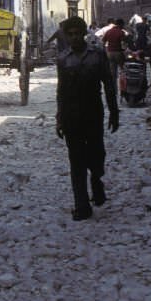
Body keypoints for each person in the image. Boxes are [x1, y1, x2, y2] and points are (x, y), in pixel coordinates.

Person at [55, 16, 119, 221]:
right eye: (70, 34)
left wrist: (114, 112)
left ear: (83, 34)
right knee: (76, 161)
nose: (74, 37)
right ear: (66, 36)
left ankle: (97, 179)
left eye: (77, 33)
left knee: (97, 154)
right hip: (72, 116)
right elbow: (61, 91)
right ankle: (81, 205)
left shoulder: (97, 55)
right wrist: (59, 118)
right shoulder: (63, 59)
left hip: (93, 112)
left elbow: (108, 85)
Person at [101, 18, 130, 85]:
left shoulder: (108, 31)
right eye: (123, 25)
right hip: (118, 53)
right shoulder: (121, 32)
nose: (123, 26)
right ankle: (123, 88)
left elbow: (103, 41)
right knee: (123, 71)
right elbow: (124, 44)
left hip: (109, 53)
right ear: (120, 24)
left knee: (113, 73)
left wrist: (104, 50)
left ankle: (114, 90)